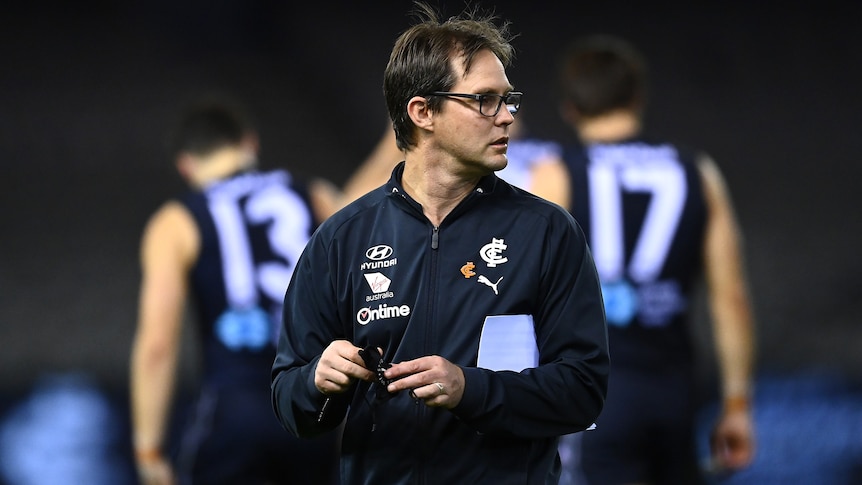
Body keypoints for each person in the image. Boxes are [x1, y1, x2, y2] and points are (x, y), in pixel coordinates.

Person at [270, 3, 610, 484]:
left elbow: (584, 390)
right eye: (484, 101)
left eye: (508, 99)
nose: (507, 117)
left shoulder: (547, 232)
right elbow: (292, 406)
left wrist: (469, 389)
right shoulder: (341, 239)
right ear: (423, 111)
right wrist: (316, 381)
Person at [552, 34, 757, 484]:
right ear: (639, 97)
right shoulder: (696, 169)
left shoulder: (556, 172)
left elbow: (512, 294)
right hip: (676, 392)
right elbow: (731, 299)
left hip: (596, 395)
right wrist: (737, 405)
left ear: (570, 107)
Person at [129, 94, 341, 485]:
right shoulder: (315, 195)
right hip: (315, 406)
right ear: (250, 143)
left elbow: (158, 343)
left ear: (186, 165)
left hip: (235, 406)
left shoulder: (175, 221)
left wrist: (148, 449)